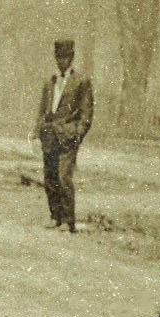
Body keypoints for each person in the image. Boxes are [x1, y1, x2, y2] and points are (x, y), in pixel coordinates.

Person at [37, 37, 95, 231]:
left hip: (68, 136)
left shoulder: (81, 82)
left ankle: (68, 220)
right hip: (50, 134)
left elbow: (87, 113)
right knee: (50, 177)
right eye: (59, 57)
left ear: (72, 58)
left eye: (66, 57)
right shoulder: (50, 80)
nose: (62, 61)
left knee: (63, 177)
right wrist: (40, 127)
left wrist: (78, 133)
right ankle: (55, 217)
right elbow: (43, 107)